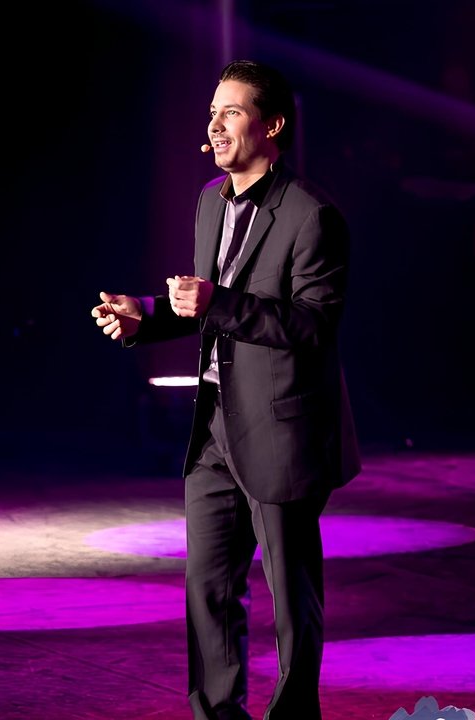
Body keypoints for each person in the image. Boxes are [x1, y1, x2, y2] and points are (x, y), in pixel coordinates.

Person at [91, 59, 360, 720]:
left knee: (292, 599)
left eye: (231, 112)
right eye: (212, 112)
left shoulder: (312, 214)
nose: (214, 124)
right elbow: (206, 308)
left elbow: (312, 327)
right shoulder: (209, 201)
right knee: (208, 589)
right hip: (214, 424)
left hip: (283, 430)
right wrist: (145, 315)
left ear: (272, 125)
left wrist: (217, 302)